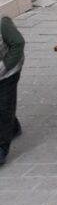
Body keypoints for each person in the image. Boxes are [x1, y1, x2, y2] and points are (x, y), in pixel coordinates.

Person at [0, 15, 22, 167]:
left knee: (4, 106)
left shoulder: (3, 24)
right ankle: (13, 126)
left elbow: (18, 43)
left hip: (8, 72)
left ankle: (1, 148)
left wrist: (4, 66)